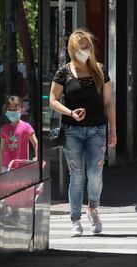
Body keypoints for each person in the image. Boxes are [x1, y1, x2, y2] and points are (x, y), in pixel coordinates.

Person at [49, 29, 117, 237]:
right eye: (81, 46)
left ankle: (93, 209)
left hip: (97, 129)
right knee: (76, 176)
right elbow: (52, 100)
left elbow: (108, 102)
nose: (85, 50)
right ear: (72, 48)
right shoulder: (64, 72)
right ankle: (75, 219)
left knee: (95, 173)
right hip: (72, 131)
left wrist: (112, 129)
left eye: (87, 46)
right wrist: (70, 112)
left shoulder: (99, 70)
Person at [0, 95, 38, 174]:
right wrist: (0, 168)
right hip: (6, 167)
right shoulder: (4, 128)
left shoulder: (26, 126)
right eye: (10, 110)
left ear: (21, 109)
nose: (12, 112)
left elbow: (36, 143)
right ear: (6, 111)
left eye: (15, 110)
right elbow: (1, 149)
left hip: (21, 167)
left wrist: (37, 157)